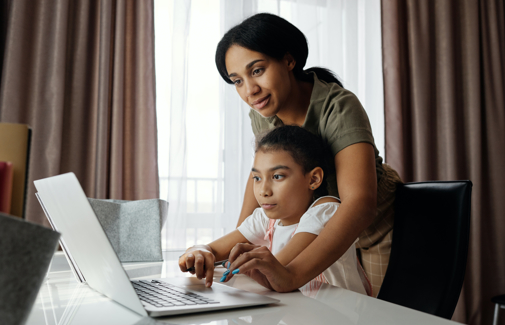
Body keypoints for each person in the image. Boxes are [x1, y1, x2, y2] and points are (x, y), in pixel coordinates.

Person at [210, 12, 403, 296]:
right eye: (237, 80)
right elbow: (260, 177)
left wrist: (292, 275)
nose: (250, 90)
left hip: (373, 227)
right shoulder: (262, 112)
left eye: (257, 71)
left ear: (289, 60)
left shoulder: (338, 107)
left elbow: (360, 203)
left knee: (377, 314)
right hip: (316, 226)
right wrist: (241, 247)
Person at [179, 125, 370, 296]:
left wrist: (242, 262)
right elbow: (213, 249)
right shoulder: (266, 218)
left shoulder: (326, 211)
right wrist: (199, 252)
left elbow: (278, 270)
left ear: (313, 179)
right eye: (257, 178)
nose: (263, 191)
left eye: (277, 176)